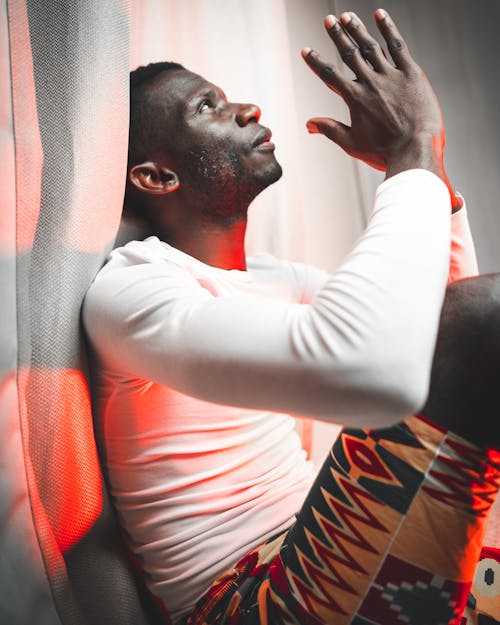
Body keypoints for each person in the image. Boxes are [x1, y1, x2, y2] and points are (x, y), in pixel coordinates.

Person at [83, 9, 499, 625]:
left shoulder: (280, 278)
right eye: (208, 108)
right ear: (156, 176)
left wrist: (418, 163)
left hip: (326, 546)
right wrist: (411, 149)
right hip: (248, 601)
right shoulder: (130, 289)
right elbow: (387, 372)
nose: (248, 110)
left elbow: (447, 349)